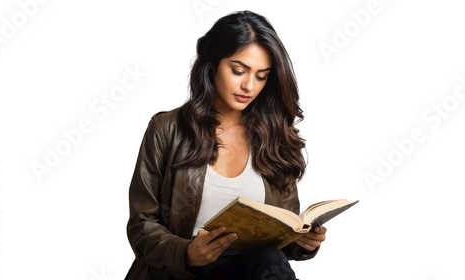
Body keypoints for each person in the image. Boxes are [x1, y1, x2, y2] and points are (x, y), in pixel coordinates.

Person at [125, 10, 327, 280]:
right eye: (238, 70)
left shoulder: (276, 136)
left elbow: (282, 231)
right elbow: (142, 224)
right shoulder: (167, 129)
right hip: (180, 272)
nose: (249, 86)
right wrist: (186, 253)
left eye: (261, 76)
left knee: (270, 258)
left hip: (249, 270)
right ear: (212, 64)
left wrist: (302, 244)